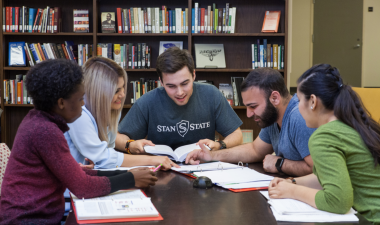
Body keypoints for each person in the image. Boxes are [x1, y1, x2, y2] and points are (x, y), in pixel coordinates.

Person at [0, 59, 158, 224]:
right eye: (80, 99)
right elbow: (83, 187)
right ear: (62, 103)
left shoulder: (39, 121)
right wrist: (131, 179)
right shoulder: (45, 131)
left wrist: (127, 174)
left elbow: (78, 173)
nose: (83, 104)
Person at [268, 64, 380, 223]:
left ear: (312, 101)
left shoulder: (324, 136)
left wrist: (292, 191)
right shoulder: (352, 125)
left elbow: (338, 201)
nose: (297, 107)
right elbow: (329, 178)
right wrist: (292, 181)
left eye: (299, 100)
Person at [186, 68, 315, 176]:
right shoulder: (272, 118)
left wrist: (280, 164)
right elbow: (255, 150)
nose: (248, 114)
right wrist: (211, 156)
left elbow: (317, 171)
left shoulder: (299, 117)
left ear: (275, 98)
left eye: (253, 106)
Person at [116, 47, 243, 154]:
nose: (180, 92)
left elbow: (237, 135)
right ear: (161, 82)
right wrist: (129, 145)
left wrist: (220, 145)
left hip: (202, 167)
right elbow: (117, 138)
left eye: (185, 83)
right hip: (160, 170)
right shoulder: (147, 102)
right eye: (171, 86)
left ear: (194, 75)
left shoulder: (212, 94)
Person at [64, 57, 178, 170]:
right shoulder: (79, 116)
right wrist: (152, 160)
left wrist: (98, 164)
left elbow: (105, 156)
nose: (123, 94)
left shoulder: (111, 111)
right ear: (98, 92)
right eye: (116, 91)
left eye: (123, 87)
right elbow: (104, 157)